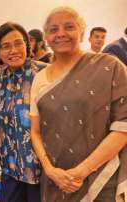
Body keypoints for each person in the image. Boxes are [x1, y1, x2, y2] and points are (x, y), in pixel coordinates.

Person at [30, 6, 127, 202]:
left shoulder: (110, 67)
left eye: (69, 27)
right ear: (46, 38)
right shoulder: (39, 78)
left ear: (82, 33)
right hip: (55, 180)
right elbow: (36, 131)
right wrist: (50, 170)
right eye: (53, 29)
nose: (61, 34)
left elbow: (123, 126)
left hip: (101, 178)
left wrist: (81, 171)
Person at [0, 22, 46, 202]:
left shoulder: (45, 74)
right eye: (6, 46)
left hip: (41, 171)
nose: (13, 50)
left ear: (27, 45)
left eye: (18, 43)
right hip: (10, 169)